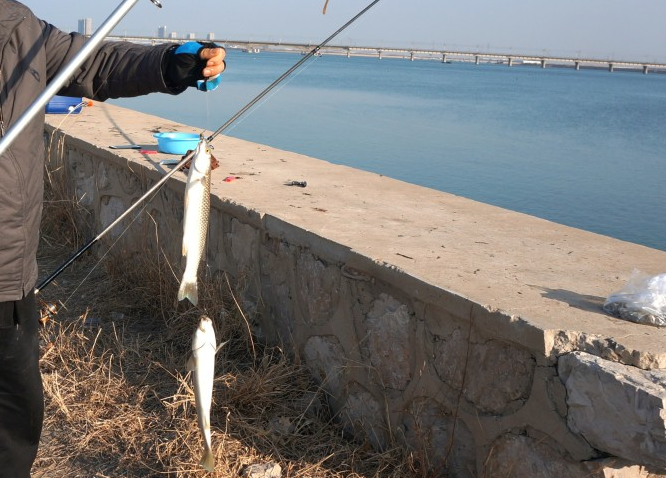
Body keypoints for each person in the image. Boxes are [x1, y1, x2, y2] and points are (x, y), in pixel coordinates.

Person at [0, 1, 226, 476]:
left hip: (8, 275)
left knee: (15, 419)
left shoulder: (19, 26)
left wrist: (170, 64)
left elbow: (96, 64)